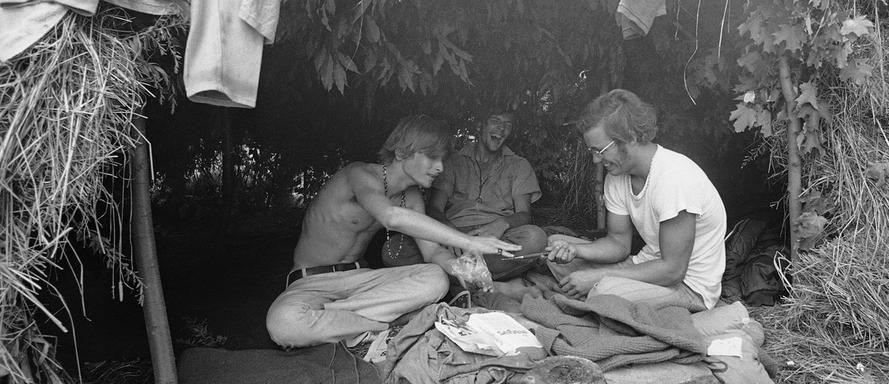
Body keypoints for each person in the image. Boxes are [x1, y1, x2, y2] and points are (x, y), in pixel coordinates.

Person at [265, 115, 521, 348]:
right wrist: (468, 240)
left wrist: (466, 269)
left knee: (436, 278)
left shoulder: (412, 198)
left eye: (442, 159)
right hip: (310, 282)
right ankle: (384, 324)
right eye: (432, 157)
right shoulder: (359, 174)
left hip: (362, 281)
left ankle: (339, 319)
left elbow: (432, 254)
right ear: (401, 151)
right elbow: (390, 217)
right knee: (283, 324)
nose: (441, 167)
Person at [544, 89, 727, 311]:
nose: (596, 159)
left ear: (629, 136)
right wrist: (574, 250)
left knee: (603, 292)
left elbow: (673, 270)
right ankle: (596, 298)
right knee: (554, 247)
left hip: (688, 287)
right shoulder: (617, 177)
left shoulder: (675, 178)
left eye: (600, 150)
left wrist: (597, 277)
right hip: (644, 265)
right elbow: (618, 244)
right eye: (592, 151)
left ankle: (596, 299)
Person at [426, 112, 548, 291]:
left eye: (508, 124)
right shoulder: (453, 161)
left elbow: (524, 214)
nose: (501, 128)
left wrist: (502, 223)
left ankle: (457, 279)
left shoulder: (519, 165)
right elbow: (434, 208)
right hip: (452, 236)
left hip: (494, 240)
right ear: (480, 125)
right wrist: (451, 234)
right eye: (495, 121)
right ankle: (488, 283)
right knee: (395, 250)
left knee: (535, 238)